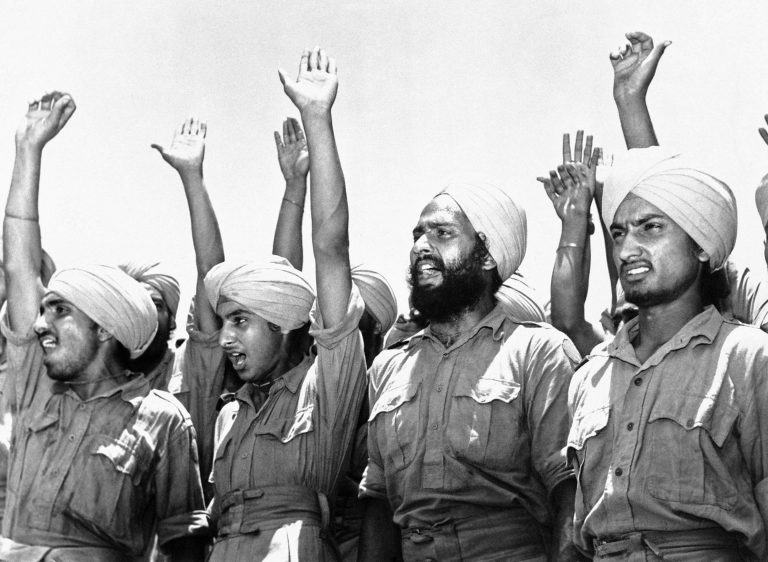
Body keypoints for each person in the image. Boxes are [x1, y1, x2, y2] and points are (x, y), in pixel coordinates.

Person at [1, 91, 208, 560]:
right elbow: (19, 266)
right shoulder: (35, 385)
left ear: (104, 329)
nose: (40, 325)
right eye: (43, 309)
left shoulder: (163, 419)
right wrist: (28, 148)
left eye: (61, 311)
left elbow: (184, 541)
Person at [203, 46, 368, 561]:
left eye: (240, 321)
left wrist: (317, 120)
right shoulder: (230, 415)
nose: (225, 338)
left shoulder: (325, 389)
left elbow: (330, 251)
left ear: (282, 324)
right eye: (224, 322)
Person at [359, 181, 581, 561]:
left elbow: (569, 490)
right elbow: (378, 502)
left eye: (442, 233)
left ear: (487, 255)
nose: (420, 247)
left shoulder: (537, 352)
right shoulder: (388, 368)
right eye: (417, 234)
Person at [568, 144, 768, 560]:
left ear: (701, 245)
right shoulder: (590, 376)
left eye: (650, 228)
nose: (627, 251)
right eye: (619, 233)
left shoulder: (748, 358)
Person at [119, 261, 181, 391]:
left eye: (156, 305)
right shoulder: (95, 376)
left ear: (171, 321)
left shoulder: (186, 366)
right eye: (136, 305)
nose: (147, 313)